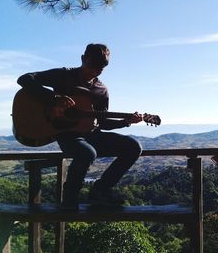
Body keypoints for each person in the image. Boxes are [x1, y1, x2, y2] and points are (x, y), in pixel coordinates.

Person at [17, 43, 143, 210]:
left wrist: (126, 122)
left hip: (92, 134)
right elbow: (24, 79)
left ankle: (100, 191)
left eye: (101, 68)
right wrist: (54, 98)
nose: (96, 70)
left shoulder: (101, 90)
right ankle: (69, 199)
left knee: (134, 147)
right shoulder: (64, 75)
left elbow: (102, 122)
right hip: (67, 135)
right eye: (92, 65)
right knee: (87, 153)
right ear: (83, 59)